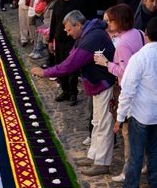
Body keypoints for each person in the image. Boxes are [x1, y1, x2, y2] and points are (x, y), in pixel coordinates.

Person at [32, 10, 116, 176]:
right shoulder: (87, 34)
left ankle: (102, 162)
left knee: (104, 123)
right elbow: (72, 56)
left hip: (103, 82)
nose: (67, 33)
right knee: (97, 122)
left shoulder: (91, 38)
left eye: (69, 29)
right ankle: (94, 156)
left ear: (78, 25)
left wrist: (46, 72)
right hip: (97, 83)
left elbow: (71, 64)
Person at [109, 17, 157, 188]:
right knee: (155, 151)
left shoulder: (139, 58)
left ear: (146, 35)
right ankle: (155, 187)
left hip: (141, 113)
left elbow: (128, 90)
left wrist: (120, 117)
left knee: (136, 154)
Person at [93, 3, 145, 182]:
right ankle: (141, 164)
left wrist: (106, 64)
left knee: (127, 131)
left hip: (129, 89)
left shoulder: (122, 43)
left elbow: (125, 71)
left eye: (112, 20)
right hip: (143, 87)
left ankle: (128, 171)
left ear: (121, 21)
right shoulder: (138, 33)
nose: (108, 23)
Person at [47, 0, 84, 104]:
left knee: (72, 67)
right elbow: (53, 22)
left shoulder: (78, 3)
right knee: (60, 66)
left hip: (73, 41)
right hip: (59, 40)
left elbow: (83, 22)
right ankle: (65, 91)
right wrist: (50, 40)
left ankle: (73, 93)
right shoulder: (57, 4)